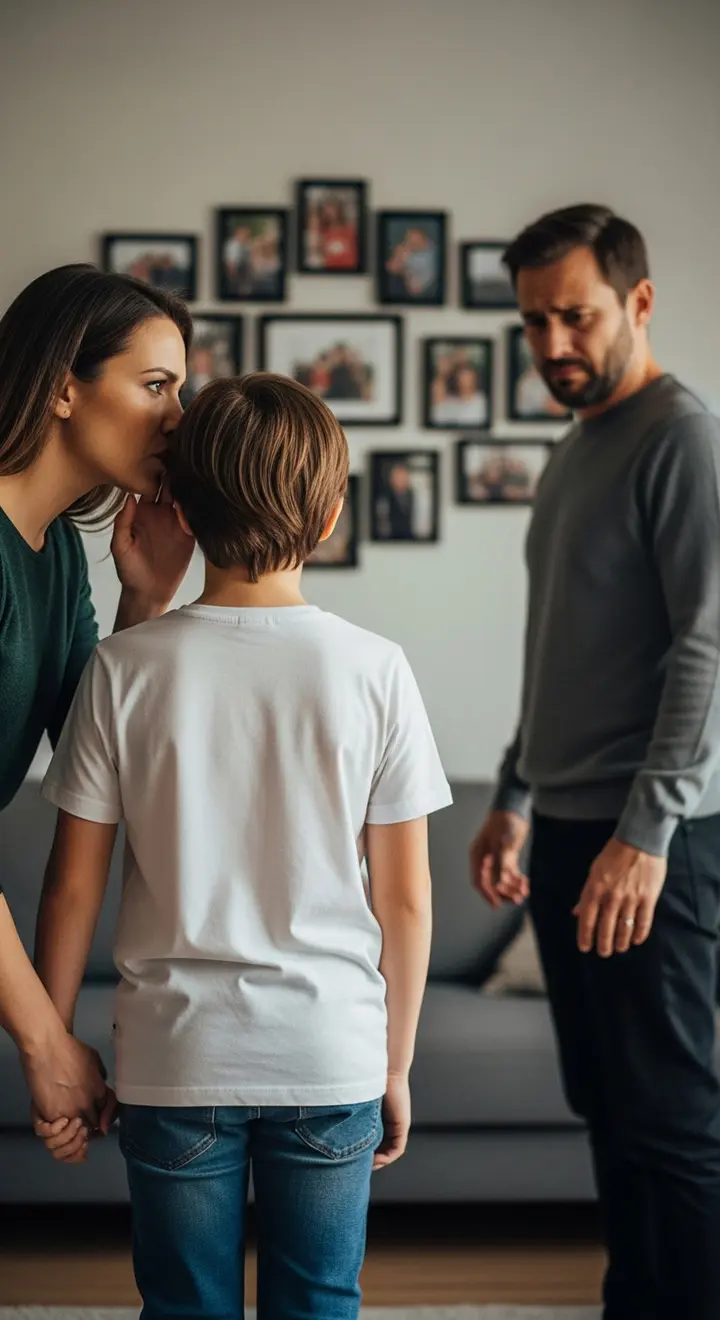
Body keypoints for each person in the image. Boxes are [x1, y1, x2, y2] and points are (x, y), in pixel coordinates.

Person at [32, 373, 452, 1319]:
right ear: (333, 511)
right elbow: (408, 901)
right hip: (329, 1053)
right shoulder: (377, 670)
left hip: (175, 1061)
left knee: (182, 1306)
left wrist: (52, 1047)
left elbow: (70, 888)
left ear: (175, 502)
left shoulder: (123, 667)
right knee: (319, 1301)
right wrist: (395, 1063)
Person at [469, 203, 720, 1320]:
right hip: (570, 827)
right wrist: (514, 794)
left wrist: (647, 832)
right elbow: (563, 644)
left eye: (576, 316)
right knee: (610, 1110)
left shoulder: (682, 437)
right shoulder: (579, 453)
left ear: (640, 302)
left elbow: (707, 645)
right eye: (534, 323)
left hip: (650, 843)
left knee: (672, 1121)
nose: (553, 345)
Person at [0, 263, 194, 1139]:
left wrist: (144, 603)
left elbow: (99, 752)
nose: (177, 419)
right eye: (155, 385)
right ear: (63, 388)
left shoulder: (53, 557)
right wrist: (47, 1043)